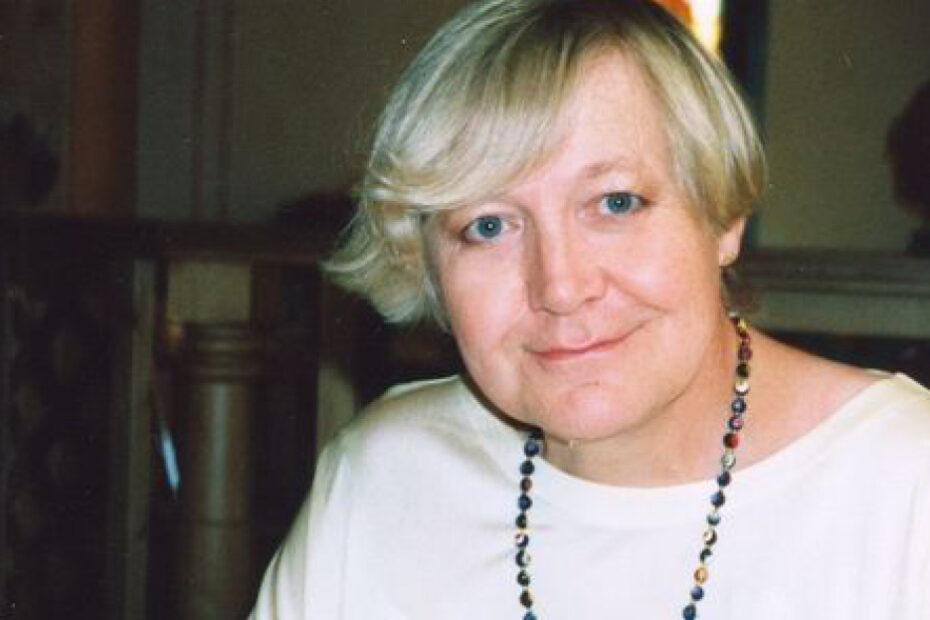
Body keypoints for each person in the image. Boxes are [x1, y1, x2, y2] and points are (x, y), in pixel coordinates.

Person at [251, 1, 930, 618]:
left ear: (723, 215)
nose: (560, 286)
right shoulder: (385, 479)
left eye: (615, 203)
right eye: (489, 226)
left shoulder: (902, 482)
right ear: (425, 263)